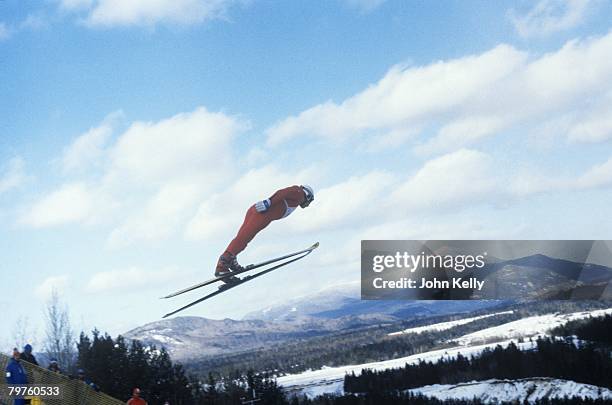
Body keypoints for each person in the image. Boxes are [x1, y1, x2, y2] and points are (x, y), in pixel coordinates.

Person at [215, 185, 315, 280]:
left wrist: (268, 203)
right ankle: (222, 266)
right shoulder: (299, 193)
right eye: (310, 201)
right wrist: (268, 202)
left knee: (241, 238)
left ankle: (230, 260)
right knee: (243, 239)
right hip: (263, 213)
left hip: (258, 211)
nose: (308, 204)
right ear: (308, 195)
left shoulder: (297, 199)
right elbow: (283, 192)